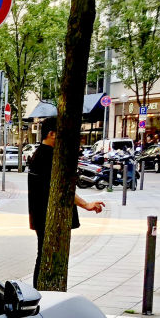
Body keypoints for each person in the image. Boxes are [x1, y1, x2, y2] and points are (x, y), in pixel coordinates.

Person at [28, 116, 105, 279]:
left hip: (43, 215)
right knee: (45, 257)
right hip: (47, 216)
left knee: (44, 255)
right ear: (52, 134)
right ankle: (42, 294)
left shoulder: (42, 154)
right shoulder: (47, 157)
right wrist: (86, 205)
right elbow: (61, 189)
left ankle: (42, 293)